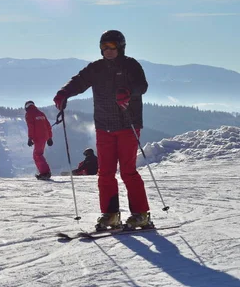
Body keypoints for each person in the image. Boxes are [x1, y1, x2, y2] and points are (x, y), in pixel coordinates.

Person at [53, 30, 151, 230]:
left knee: (127, 171)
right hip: (103, 127)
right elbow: (79, 81)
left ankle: (141, 214)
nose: (107, 50)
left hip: (127, 124)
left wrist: (129, 92)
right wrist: (64, 92)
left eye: (111, 46)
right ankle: (110, 215)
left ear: (120, 47)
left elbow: (142, 85)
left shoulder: (131, 65)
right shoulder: (95, 68)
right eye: (104, 47)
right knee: (105, 173)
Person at [24, 101, 54, 180]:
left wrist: (30, 138)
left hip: (38, 137)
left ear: (26, 107)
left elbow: (31, 126)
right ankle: (45, 172)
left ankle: (45, 173)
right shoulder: (41, 113)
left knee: (37, 155)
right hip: (44, 136)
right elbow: (48, 126)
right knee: (38, 154)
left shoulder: (29, 114)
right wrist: (49, 138)